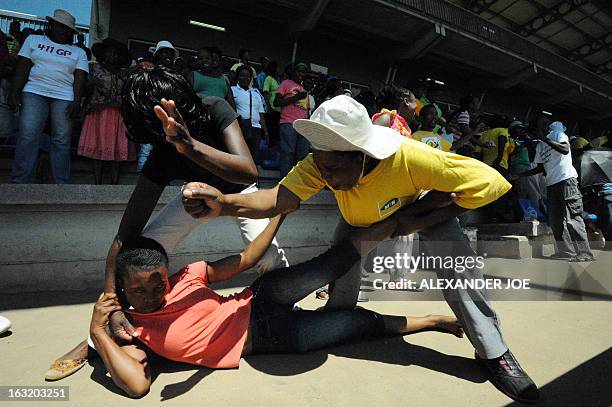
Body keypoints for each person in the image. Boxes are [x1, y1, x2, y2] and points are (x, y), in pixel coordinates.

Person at [181, 95, 540, 404]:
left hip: (419, 211)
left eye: (335, 169)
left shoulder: (413, 158)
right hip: (359, 221)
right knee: (340, 270)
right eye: (322, 168)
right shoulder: (322, 161)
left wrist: (417, 220)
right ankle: (340, 321)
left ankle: (495, 352)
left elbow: (491, 182)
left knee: (458, 269)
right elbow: (277, 198)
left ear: (363, 155)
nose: (328, 179)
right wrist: (224, 203)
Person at [45, 66, 289, 378]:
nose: (163, 135)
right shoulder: (162, 150)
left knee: (270, 259)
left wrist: (189, 146)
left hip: (240, 193)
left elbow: (248, 172)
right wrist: (113, 304)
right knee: (139, 255)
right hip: (197, 198)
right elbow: (126, 236)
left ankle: (279, 315)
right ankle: (95, 340)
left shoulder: (214, 107)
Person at [88, 212, 463, 397]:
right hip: (275, 339)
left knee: (331, 263)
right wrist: (96, 331)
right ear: (122, 288)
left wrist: (280, 212)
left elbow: (249, 257)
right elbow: (137, 386)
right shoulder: (129, 329)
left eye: (160, 283)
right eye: (142, 291)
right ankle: (431, 320)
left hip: (262, 298)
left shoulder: (187, 274)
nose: (157, 294)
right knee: (357, 325)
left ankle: (400, 220)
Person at [8, 9, 88, 184]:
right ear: (51, 25)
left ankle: (60, 183)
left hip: (64, 95)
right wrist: (14, 92)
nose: (63, 31)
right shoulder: (33, 40)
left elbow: (80, 79)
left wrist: (76, 102)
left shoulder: (78, 52)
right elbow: (23, 68)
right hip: (34, 91)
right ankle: (20, 180)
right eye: (60, 26)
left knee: (61, 138)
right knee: (28, 134)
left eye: (68, 29)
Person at [512, 120, 594, 262]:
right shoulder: (540, 146)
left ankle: (585, 253)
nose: (531, 136)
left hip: (566, 181)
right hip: (551, 184)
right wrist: (520, 175)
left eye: (533, 132)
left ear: (542, 130)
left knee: (573, 218)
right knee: (556, 221)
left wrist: (544, 139)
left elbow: (565, 149)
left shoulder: (557, 134)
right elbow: (541, 168)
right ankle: (566, 251)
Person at [77, 38, 135, 184]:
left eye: (115, 53)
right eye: (109, 53)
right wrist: (91, 83)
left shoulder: (126, 73)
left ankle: (114, 183)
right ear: (103, 54)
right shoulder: (94, 68)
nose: (112, 56)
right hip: (98, 113)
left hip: (119, 114)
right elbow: (86, 89)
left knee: (117, 149)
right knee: (98, 147)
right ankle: (98, 183)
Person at [136, 40, 179, 172]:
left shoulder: (175, 75)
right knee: (146, 149)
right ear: (158, 55)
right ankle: (142, 180)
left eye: (170, 54)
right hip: (150, 115)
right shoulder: (148, 71)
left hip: (168, 118)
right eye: (165, 52)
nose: (168, 56)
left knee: (167, 150)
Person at [275, 62, 310, 178]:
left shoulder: (305, 90)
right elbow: (277, 102)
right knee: (287, 153)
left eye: (303, 72)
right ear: (294, 72)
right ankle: (284, 182)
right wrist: (296, 97)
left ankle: (297, 183)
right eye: (298, 71)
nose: (300, 74)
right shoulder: (286, 83)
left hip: (303, 126)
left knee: (303, 155)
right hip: (288, 123)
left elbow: (306, 110)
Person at [231, 65, 269, 164]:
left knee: (253, 157)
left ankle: (251, 179)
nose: (245, 78)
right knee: (239, 156)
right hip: (239, 127)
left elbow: (261, 115)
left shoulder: (256, 93)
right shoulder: (232, 90)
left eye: (248, 76)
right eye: (242, 75)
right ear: (237, 77)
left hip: (256, 128)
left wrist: (265, 132)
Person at [261, 60, 280, 146]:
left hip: (277, 109)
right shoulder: (268, 79)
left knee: (274, 131)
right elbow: (265, 93)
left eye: (275, 68)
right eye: (272, 67)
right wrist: (269, 107)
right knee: (270, 130)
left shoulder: (277, 80)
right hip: (271, 109)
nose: (274, 69)